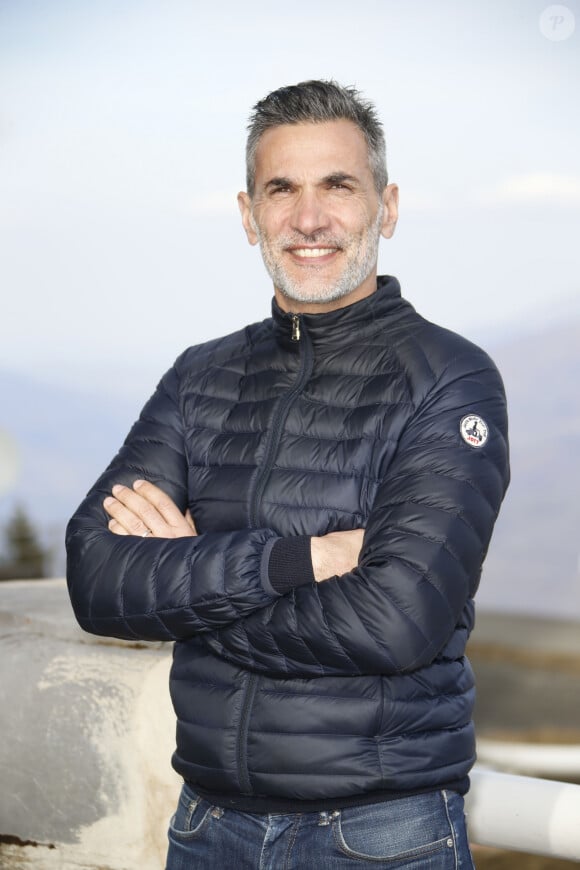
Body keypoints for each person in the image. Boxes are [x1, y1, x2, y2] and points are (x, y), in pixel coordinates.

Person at [66, 80, 510, 869]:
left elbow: (396, 621)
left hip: (379, 836)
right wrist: (295, 561)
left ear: (388, 206)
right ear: (249, 216)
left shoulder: (449, 380)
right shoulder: (199, 377)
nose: (310, 219)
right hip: (208, 829)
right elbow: (96, 577)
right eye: (283, 190)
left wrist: (190, 585)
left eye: (338, 185)